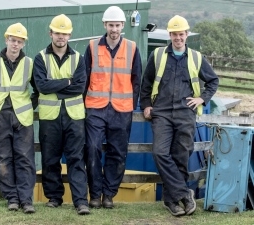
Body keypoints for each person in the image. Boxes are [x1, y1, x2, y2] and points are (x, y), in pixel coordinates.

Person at [140, 15, 219, 216]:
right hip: (162, 112)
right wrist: (146, 105)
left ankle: (171, 201)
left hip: (186, 113)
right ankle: (184, 194)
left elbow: (213, 81)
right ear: (170, 35)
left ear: (186, 34)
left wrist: (202, 98)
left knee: (181, 157)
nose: (178, 37)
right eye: (174, 34)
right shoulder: (157, 55)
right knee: (160, 152)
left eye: (181, 34)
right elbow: (146, 83)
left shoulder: (196, 57)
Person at [0, 23, 38, 214]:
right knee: (3, 158)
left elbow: (38, 90)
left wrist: (29, 107)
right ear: (6, 40)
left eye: (19, 41)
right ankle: (12, 198)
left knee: (25, 159)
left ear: (23, 43)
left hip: (22, 118)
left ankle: (26, 200)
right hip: (0, 117)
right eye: (12, 40)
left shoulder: (29, 64)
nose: (15, 44)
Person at [84, 6, 142, 209]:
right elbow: (84, 78)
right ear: (104, 25)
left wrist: (131, 106)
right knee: (91, 149)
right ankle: (95, 194)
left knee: (118, 152)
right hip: (95, 108)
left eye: (117, 25)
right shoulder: (91, 47)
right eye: (111, 25)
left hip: (121, 110)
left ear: (123, 26)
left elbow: (137, 80)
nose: (114, 29)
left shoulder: (132, 48)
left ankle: (108, 195)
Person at [32, 14, 90, 215]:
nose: (61, 37)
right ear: (51, 33)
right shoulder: (40, 58)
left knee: (76, 158)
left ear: (70, 35)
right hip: (50, 117)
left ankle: (81, 201)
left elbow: (79, 87)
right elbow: (41, 86)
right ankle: (54, 197)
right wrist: (67, 82)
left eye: (64, 34)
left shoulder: (78, 58)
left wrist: (53, 86)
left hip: (74, 117)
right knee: (50, 159)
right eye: (57, 33)